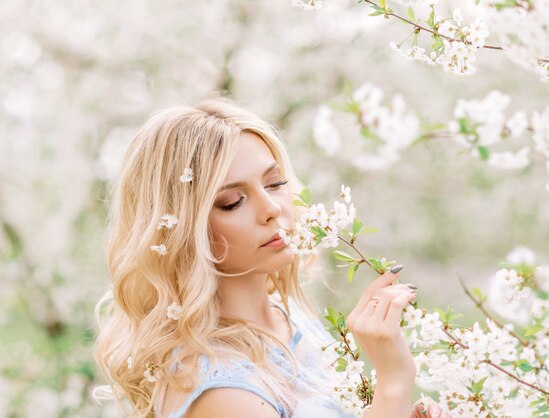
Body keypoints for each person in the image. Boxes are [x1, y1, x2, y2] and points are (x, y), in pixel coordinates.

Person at [93, 98, 447, 417]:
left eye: (275, 183)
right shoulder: (224, 392)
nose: (272, 208)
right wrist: (394, 383)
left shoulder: (291, 322)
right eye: (232, 202)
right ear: (183, 228)